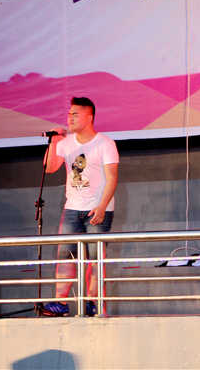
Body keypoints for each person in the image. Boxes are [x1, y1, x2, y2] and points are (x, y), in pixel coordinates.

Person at [40, 97, 119, 317]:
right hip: (72, 208)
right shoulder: (66, 143)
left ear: (89, 117)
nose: (70, 118)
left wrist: (102, 207)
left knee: (95, 259)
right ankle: (60, 303)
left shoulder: (105, 143)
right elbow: (49, 168)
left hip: (98, 209)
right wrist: (54, 141)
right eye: (69, 114)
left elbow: (112, 178)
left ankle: (94, 303)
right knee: (65, 256)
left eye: (75, 114)